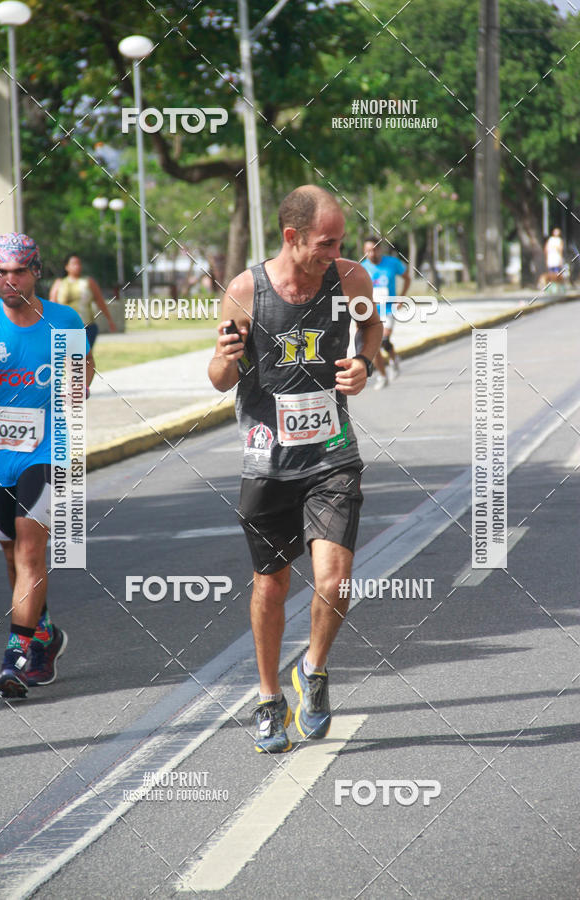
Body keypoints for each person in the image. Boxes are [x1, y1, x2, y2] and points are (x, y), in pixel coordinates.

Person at [208, 185, 382, 753]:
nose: (337, 253)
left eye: (340, 242)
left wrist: (364, 362)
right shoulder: (245, 291)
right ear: (293, 237)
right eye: (326, 244)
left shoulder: (350, 280)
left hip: (332, 453)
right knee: (271, 584)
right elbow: (218, 377)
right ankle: (268, 698)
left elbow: (372, 329)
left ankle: (313, 668)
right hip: (268, 460)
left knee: (334, 578)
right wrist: (225, 362)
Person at [0, 233, 94, 699]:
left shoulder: (63, 319)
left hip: (49, 451)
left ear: (36, 272)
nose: (10, 280)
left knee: (29, 552)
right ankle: (43, 634)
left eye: (19, 271)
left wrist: (79, 383)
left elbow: (84, 371)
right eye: (2, 272)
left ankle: (14, 659)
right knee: (12, 558)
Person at [361, 237, 411, 388]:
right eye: (368, 251)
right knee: (373, 346)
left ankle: (394, 360)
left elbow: (407, 278)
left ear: (380, 249)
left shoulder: (392, 263)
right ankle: (383, 376)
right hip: (371, 311)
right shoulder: (361, 267)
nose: (371, 254)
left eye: (374, 250)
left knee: (383, 340)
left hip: (388, 308)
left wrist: (401, 298)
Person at [49, 254, 116, 348]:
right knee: (68, 356)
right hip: (65, 327)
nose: (77, 266)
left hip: (86, 326)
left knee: (83, 355)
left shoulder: (88, 282)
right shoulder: (59, 283)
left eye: (79, 264)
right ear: (66, 267)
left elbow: (100, 301)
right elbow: (52, 305)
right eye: (74, 264)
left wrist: (109, 320)